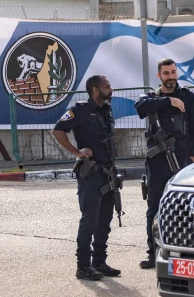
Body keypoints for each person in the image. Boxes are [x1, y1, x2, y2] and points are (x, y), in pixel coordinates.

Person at [134, 58, 194, 270]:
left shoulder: (187, 96)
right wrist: (168, 101)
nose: (171, 77)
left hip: (182, 161)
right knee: (154, 209)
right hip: (157, 164)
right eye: (166, 73)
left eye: (173, 72)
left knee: (185, 208)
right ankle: (153, 253)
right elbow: (139, 106)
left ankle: (184, 251)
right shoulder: (151, 98)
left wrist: (193, 157)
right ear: (159, 76)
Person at [51, 75, 123, 282]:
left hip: (108, 173)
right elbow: (58, 130)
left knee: (105, 220)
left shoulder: (106, 110)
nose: (111, 89)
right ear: (94, 89)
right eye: (107, 86)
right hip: (90, 174)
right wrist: (76, 151)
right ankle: (83, 267)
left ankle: (99, 262)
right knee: (89, 220)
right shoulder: (81, 110)